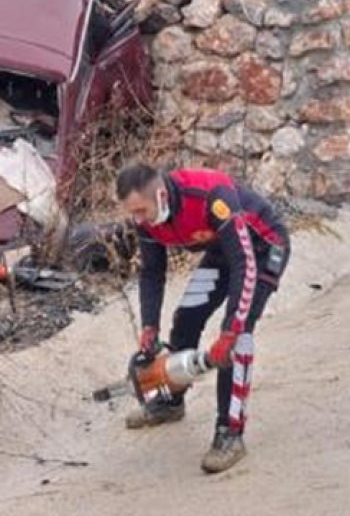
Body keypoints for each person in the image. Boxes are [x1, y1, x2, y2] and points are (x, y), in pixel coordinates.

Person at [116, 163, 291, 473]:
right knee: (186, 320)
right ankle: (171, 401)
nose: (138, 219)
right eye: (133, 213)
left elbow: (245, 263)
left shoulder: (211, 196)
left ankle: (230, 433)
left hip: (263, 248)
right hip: (223, 250)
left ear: (160, 195)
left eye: (141, 210)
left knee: (237, 338)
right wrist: (149, 327)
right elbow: (152, 273)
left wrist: (231, 330)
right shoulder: (146, 221)